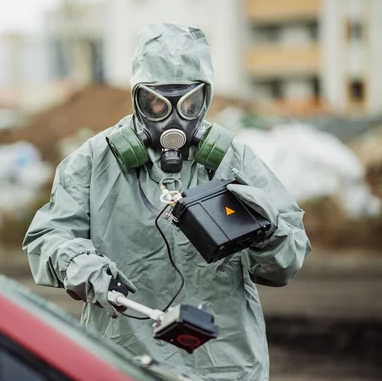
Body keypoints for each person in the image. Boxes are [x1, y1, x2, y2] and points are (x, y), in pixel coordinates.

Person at [22, 23, 311, 380]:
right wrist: (76, 263)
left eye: (188, 103)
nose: (173, 117)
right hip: (123, 359)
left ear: (205, 98)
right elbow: (47, 236)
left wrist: (270, 233)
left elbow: (287, 261)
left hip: (222, 364)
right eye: (156, 103)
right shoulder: (95, 161)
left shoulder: (233, 161)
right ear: (136, 99)